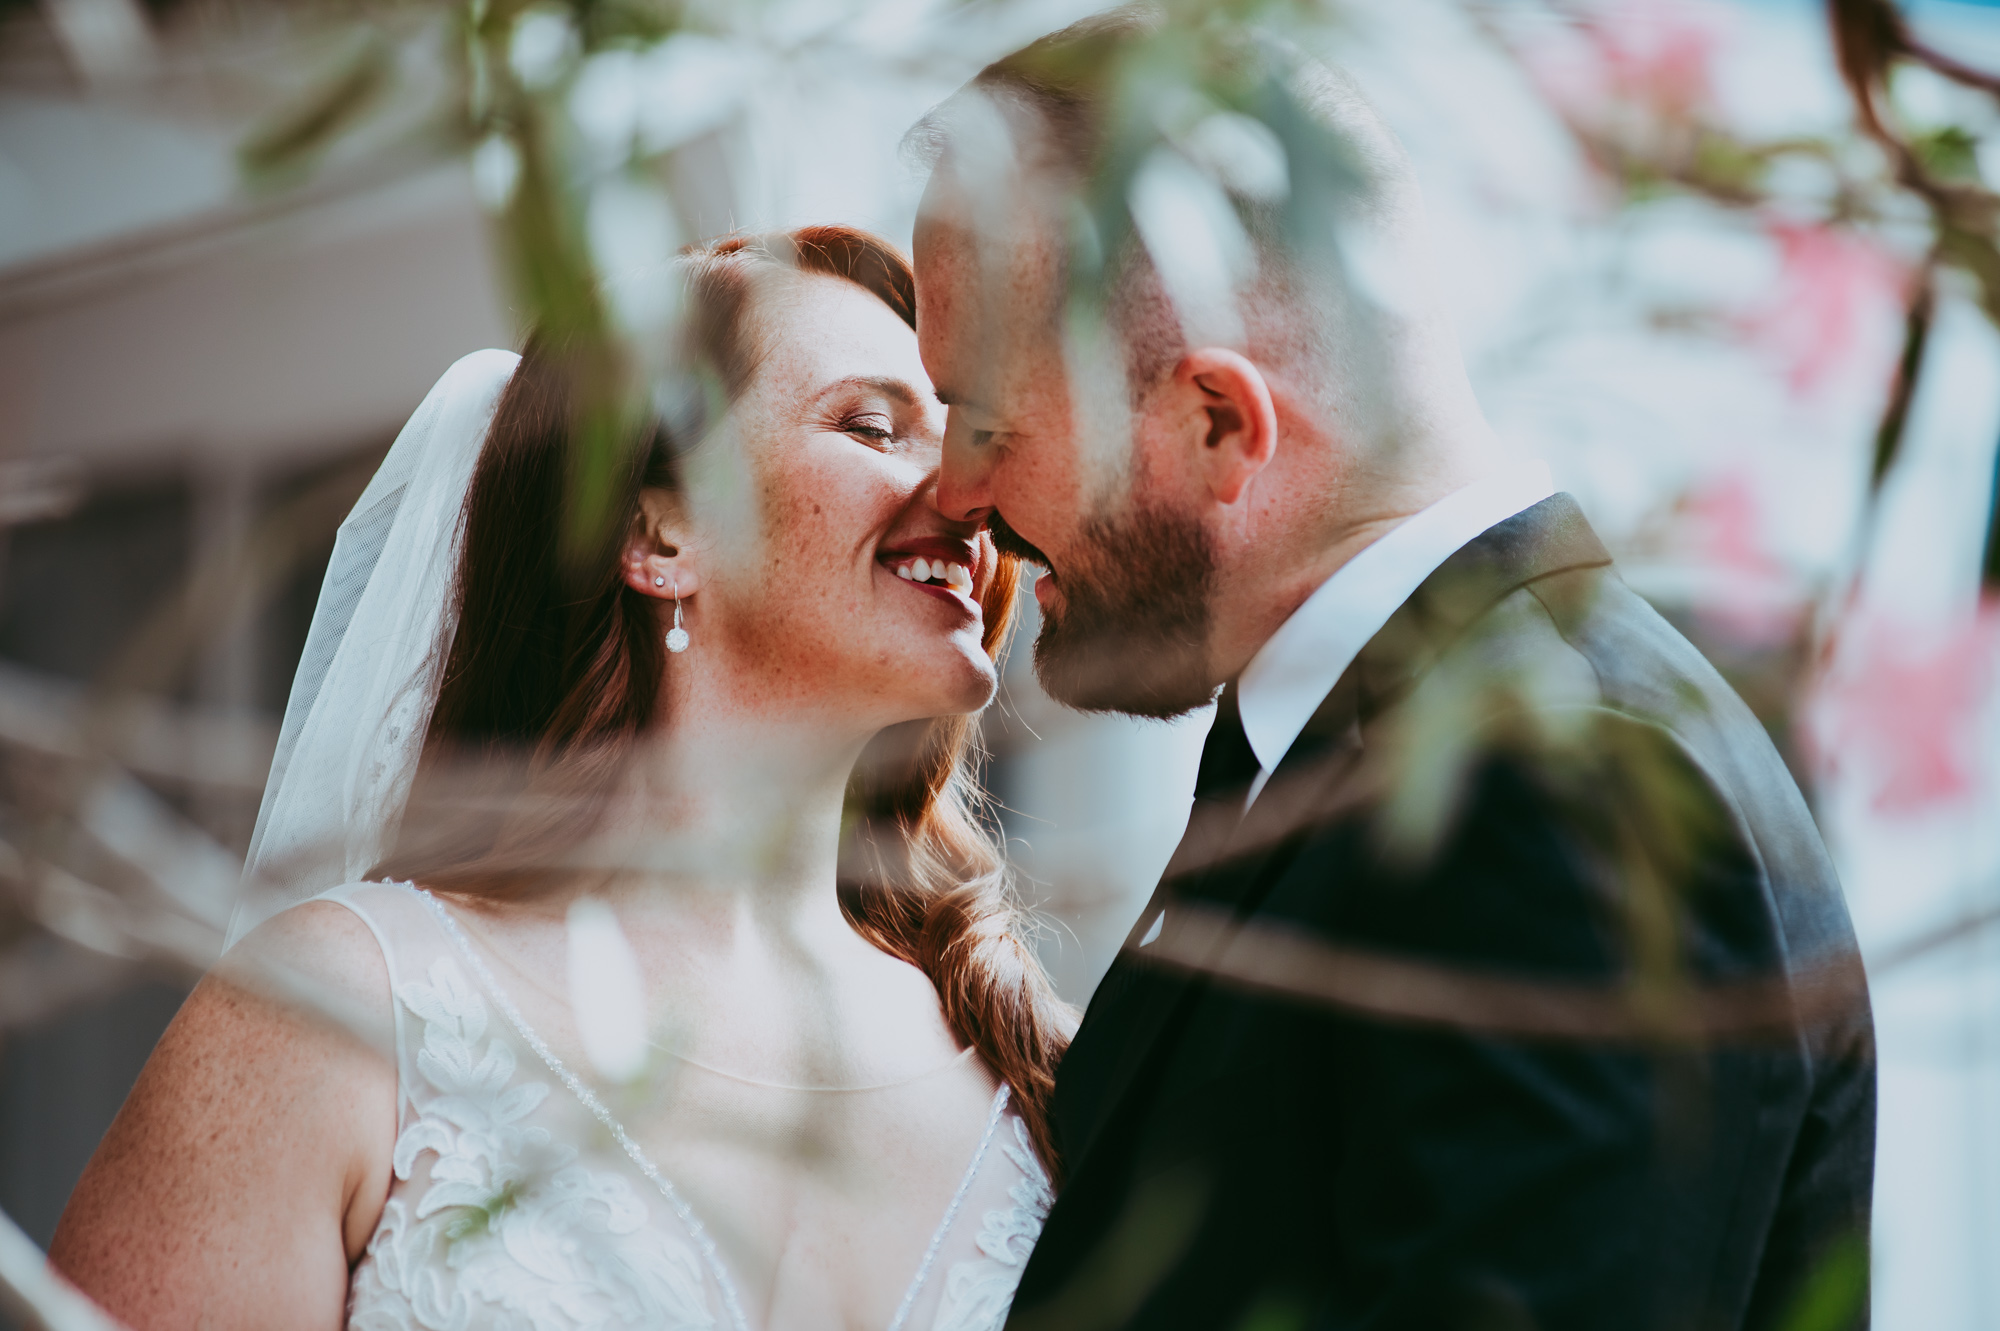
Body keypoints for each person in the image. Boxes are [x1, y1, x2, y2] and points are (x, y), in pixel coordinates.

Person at [911, 10, 1876, 1331]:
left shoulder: (1560, 799)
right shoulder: (1339, 748)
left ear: (1217, 425)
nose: (953, 492)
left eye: (985, 422)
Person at [50, 227, 1071, 1331]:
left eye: (967, 436)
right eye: (871, 425)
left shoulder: (1039, 1072)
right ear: (655, 529)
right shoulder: (343, 1013)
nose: (972, 493)